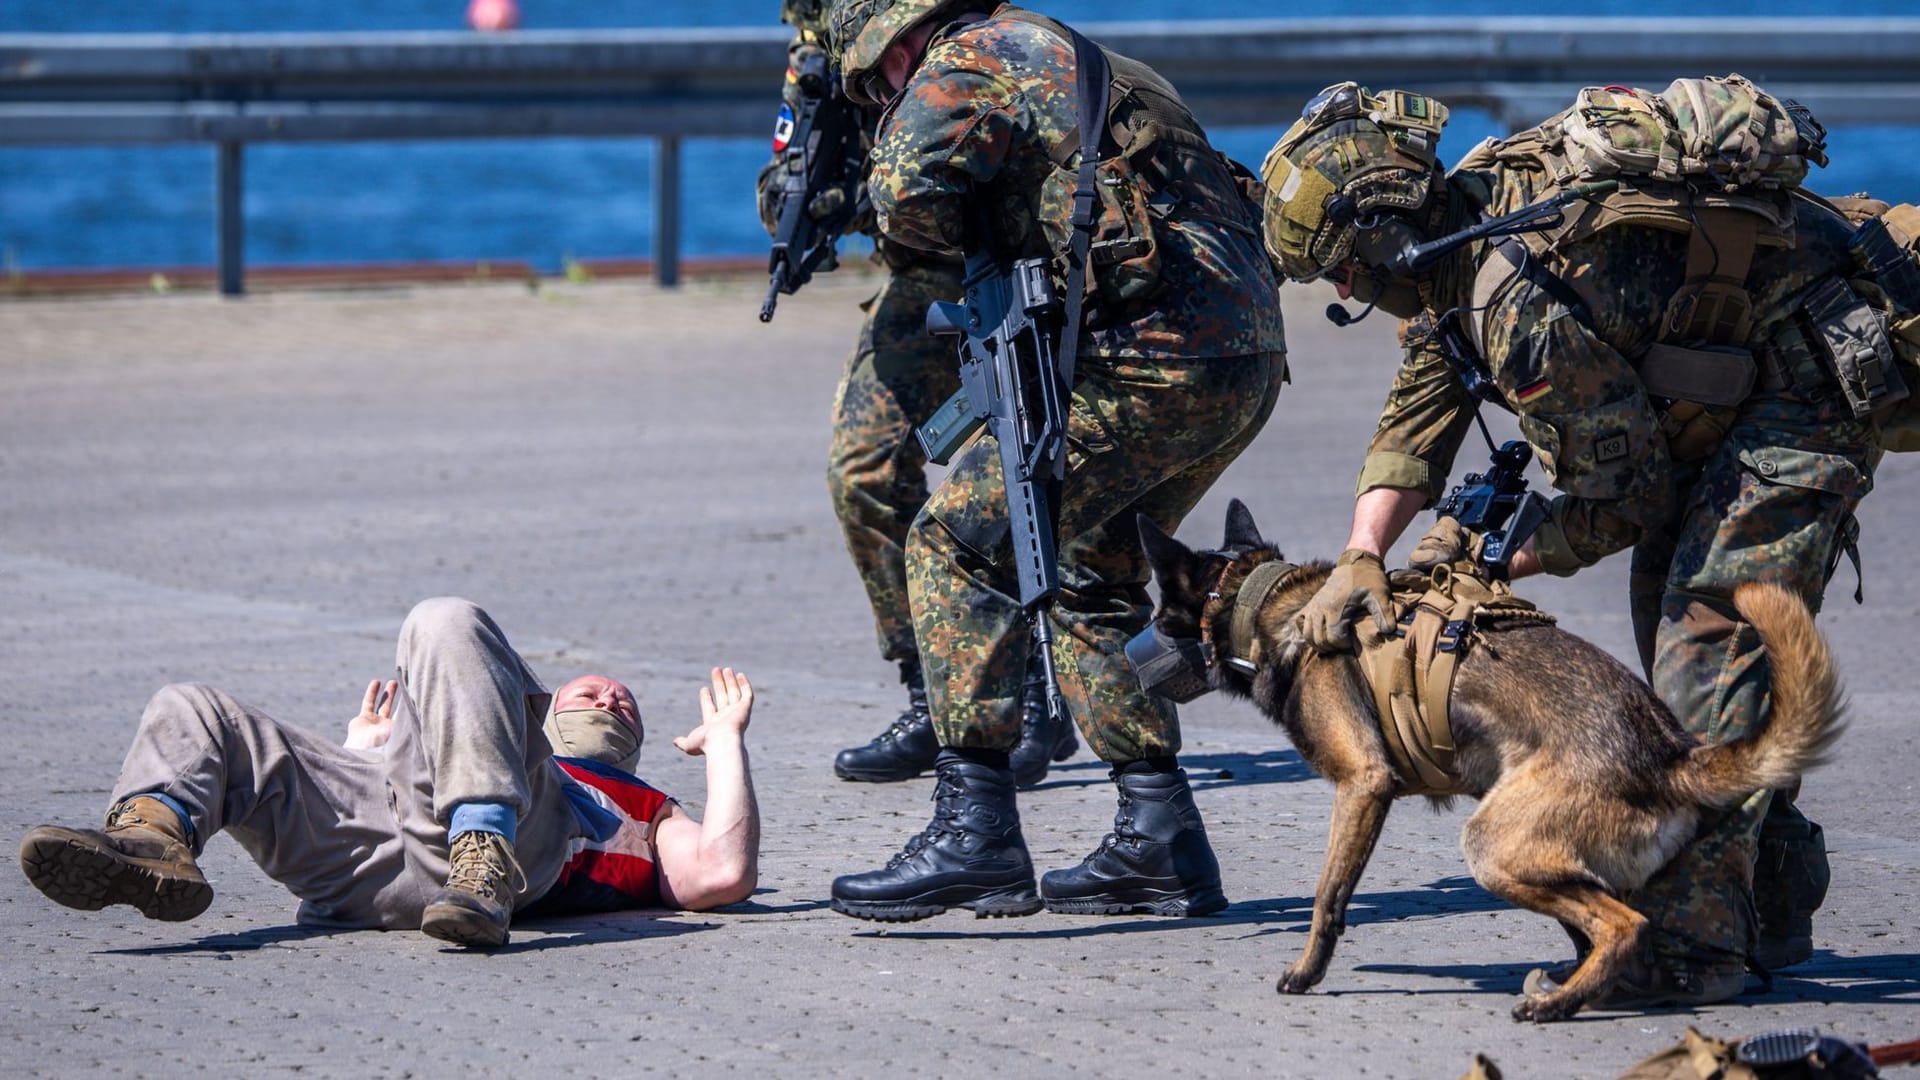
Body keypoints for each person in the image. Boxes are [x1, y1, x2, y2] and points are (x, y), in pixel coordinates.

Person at [1261, 79, 1877, 1004]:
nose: (1342, 290)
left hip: (1799, 393)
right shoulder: (1455, 249)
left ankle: (1694, 955)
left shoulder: (1516, 305)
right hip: (1723, 392)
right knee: (1681, 657)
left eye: (1343, 268)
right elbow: (1417, 413)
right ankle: (1771, 912)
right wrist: (1362, 554)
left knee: (1705, 655)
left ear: (1389, 234)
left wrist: (1505, 556)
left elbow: (1624, 495)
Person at [820, 0, 1287, 920]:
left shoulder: (967, 59)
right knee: (1089, 571)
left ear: (902, 37)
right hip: (1244, 360)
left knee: (955, 546)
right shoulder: (1090, 59)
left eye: (879, 77)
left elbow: (906, 191)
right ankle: (1161, 838)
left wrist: (948, 245)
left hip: (1145, 360)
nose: (888, 91)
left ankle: (976, 831)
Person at [18, 597, 759, 948]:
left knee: (443, 620)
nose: (607, 693)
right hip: (371, 849)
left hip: (516, 854)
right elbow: (452, 729)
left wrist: (725, 742)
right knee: (194, 707)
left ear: (629, 745)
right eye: (588, 690)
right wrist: (362, 754)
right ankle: (154, 835)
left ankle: (482, 854)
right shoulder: (494, 712)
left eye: (621, 703)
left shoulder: (642, 805)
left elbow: (719, 873)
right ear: (542, 712)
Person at [757, 0, 1077, 788]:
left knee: (1019, 475)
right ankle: (931, 691)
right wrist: (818, 189)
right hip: (923, 274)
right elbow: (779, 194)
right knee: (863, 469)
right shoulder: (822, 63)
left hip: (1021, 254)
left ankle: (1034, 693)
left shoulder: (952, 25)